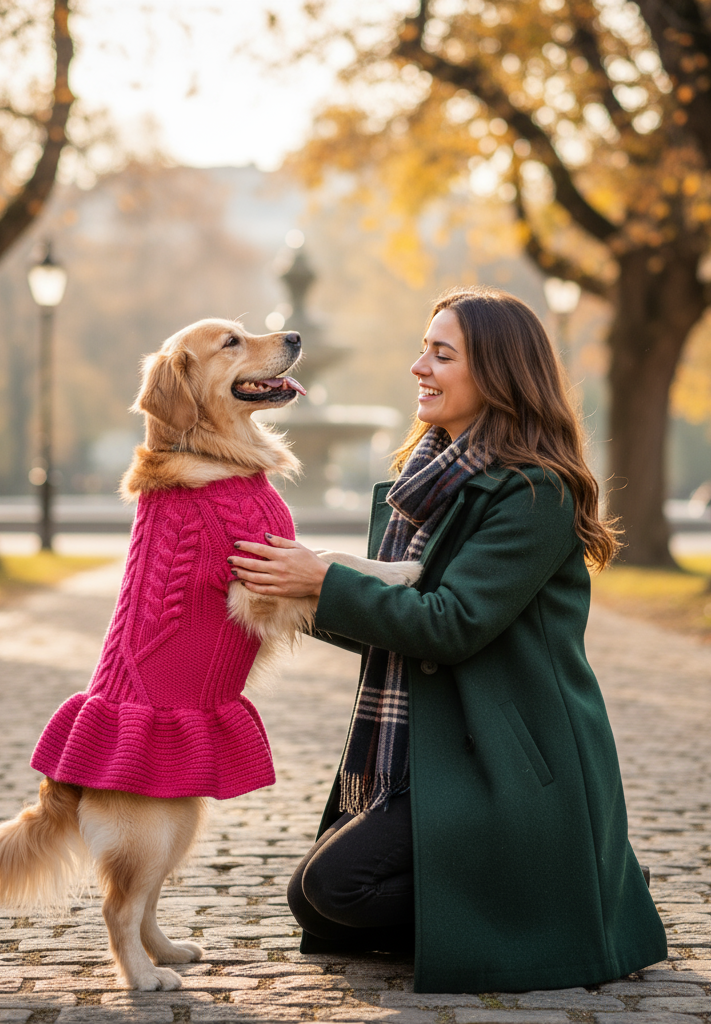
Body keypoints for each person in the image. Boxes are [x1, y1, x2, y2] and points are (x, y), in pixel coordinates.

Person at [227, 286, 667, 994]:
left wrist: (322, 581)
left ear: (497, 372)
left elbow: (450, 624)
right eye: (422, 349)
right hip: (439, 745)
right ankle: (561, 887)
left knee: (334, 890)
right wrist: (290, 592)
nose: (418, 368)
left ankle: (572, 893)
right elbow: (394, 627)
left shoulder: (534, 493)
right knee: (318, 901)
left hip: (506, 757)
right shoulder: (424, 487)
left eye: (441, 354)